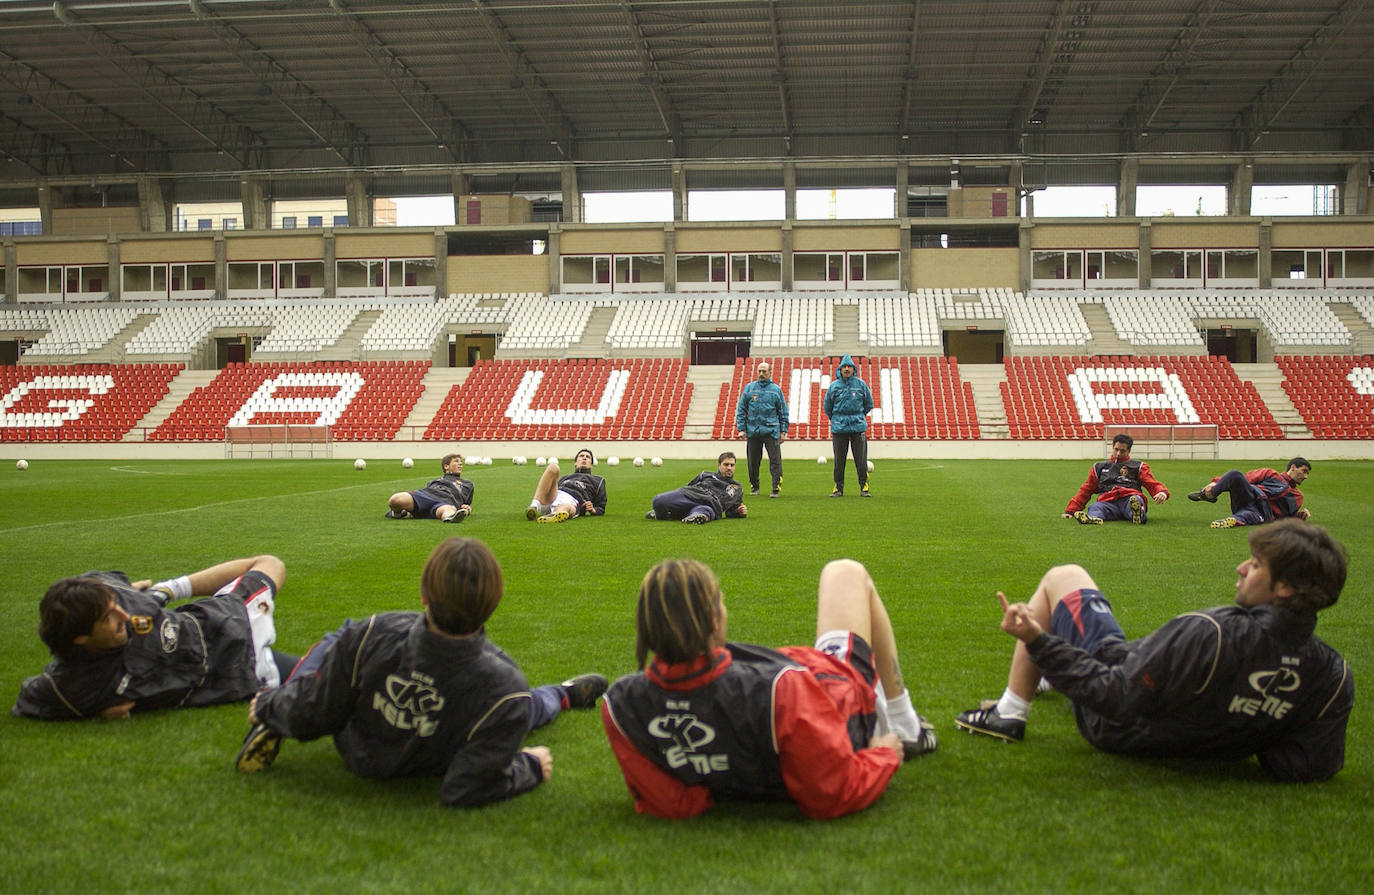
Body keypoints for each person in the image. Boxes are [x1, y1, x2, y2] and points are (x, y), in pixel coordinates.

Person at [954, 519, 1352, 782]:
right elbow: (1308, 764)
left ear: (1284, 589)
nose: (1241, 569)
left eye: (1255, 563)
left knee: (1065, 575)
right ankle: (1054, 682)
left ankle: (1009, 712)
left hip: (1117, 729)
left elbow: (1115, 697)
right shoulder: (1333, 674)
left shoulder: (1210, 632)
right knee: (1129, 658)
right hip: (1192, 736)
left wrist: (1038, 641)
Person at [234, 537, 608, 808]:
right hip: (440, 756)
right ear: (494, 603)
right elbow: (463, 788)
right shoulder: (506, 686)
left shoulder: (372, 632)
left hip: (359, 753)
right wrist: (527, 766)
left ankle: (280, 705)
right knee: (522, 706)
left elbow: (319, 712)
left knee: (343, 638)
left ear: (423, 593)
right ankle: (563, 693)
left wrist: (270, 706)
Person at [601, 557, 937, 819]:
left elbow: (674, 802)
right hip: (843, 698)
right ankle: (904, 723)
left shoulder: (620, 705)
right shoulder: (778, 690)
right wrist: (885, 754)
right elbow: (832, 792)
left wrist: (720, 777)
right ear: (715, 619)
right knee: (845, 572)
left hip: (796, 693)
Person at [13, 555, 293, 721]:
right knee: (319, 673)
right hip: (246, 670)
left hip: (223, 617)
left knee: (270, 563)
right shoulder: (70, 685)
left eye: (116, 605)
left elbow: (114, 587)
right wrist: (98, 712)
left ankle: (170, 589)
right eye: (108, 618)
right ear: (80, 639)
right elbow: (26, 702)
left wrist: (150, 593)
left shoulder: (101, 588)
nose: (123, 616)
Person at [1062, 433, 1169, 525]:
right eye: (1116, 449)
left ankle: (1137, 515)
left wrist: (1162, 492)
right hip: (1107, 502)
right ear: (1112, 447)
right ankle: (1093, 519)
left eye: (1122, 451)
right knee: (1095, 507)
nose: (1118, 453)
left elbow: (1151, 483)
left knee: (1136, 500)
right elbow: (1086, 489)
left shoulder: (1138, 466)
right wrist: (1071, 511)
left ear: (1129, 451)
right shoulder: (1099, 467)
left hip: (1129, 498)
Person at [1187, 458, 1311, 529]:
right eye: (1304, 471)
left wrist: (1298, 516)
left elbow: (1285, 516)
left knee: (1249, 515)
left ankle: (1231, 521)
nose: (1305, 476)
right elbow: (1245, 479)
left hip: (1263, 512)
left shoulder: (1298, 496)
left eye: (1307, 474)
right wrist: (1215, 483)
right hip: (1249, 497)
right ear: (1293, 467)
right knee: (1235, 474)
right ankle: (1209, 495)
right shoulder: (1270, 474)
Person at [645, 451, 748, 524]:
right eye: (726, 464)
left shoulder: (737, 488)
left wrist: (740, 512)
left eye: (732, 465)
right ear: (719, 465)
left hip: (710, 504)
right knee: (658, 500)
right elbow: (689, 487)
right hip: (690, 495)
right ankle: (663, 513)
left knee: (704, 511)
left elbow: (731, 512)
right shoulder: (705, 474)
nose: (729, 468)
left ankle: (693, 517)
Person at [734, 361, 788, 498]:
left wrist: (784, 430)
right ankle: (754, 486)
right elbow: (741, 409)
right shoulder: (749, 388)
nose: (761, 374)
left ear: (770, 372)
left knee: (775, 462)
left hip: (771, 431)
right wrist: (741, 428)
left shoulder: (776, 390)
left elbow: (782, 411)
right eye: (759, 371)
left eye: (764, 371)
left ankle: (775, 487)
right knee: (752, 462)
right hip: (753, 431)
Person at [823, 354, 873, 498]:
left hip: (858, 428)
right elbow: (828, 407)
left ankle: (864, 488)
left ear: (853, 369)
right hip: (839, 428)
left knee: (861, 460)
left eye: (849, 367)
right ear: (840, 369)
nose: (846, 369)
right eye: (844, 367)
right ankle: (838, 488)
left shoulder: (861, 385)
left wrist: (858, 416)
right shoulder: (834, 387)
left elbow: (868, 403)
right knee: (839, 460)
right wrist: (836, 419)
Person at [524, 448, 607, 523]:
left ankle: (555, 515)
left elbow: (601, 507)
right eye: (581, 456)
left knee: (565, 507)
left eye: (588, 457)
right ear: (575, 463)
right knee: (553, 467)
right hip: (554, 496)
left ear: (591, 465)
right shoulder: (566, 477)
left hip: (574, 501)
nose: (584, 458)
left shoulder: (598, 480)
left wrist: (593, 510)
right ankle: (534, 506)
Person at [386, 453, 473, 523]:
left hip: (445, 502)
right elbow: (425, 490)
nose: (460, 463)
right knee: (395, 499)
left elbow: (466, 504)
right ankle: (398, 513)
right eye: (456, 461)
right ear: (446, 467)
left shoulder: (468, 484)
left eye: (461, 462)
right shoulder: (435, 481)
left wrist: (467, 508)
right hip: (425, 496)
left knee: (448, 511)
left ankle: (450, 518)